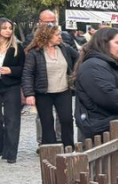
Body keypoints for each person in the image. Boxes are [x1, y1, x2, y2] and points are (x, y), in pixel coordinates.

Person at [72, 27, 118, 140]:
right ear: (104, 43)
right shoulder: (93, 66)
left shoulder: (109, 65)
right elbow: (110, 97)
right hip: (101, 132)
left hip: (113, 129)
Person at [21, 23, 79, 147]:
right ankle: (50, 149)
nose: (60, 37)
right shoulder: (34, 53)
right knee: (47, 122)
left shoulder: (65, 48)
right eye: (57, 34)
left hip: (63, 91)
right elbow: (27, 74)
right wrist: (29, 94)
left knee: (66, 120)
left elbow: (79, 59)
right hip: (43, 93)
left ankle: (69, 148)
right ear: (47, 36)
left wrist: (74, 74)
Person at [0, 18, 25, 163]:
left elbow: (23, 68)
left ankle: (11, 154)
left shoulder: (17, 47)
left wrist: (11, 70)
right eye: (4, 28)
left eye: (10, 28)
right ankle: (2, 147)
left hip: (12, 85)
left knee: (12, 120)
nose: (8, 30)